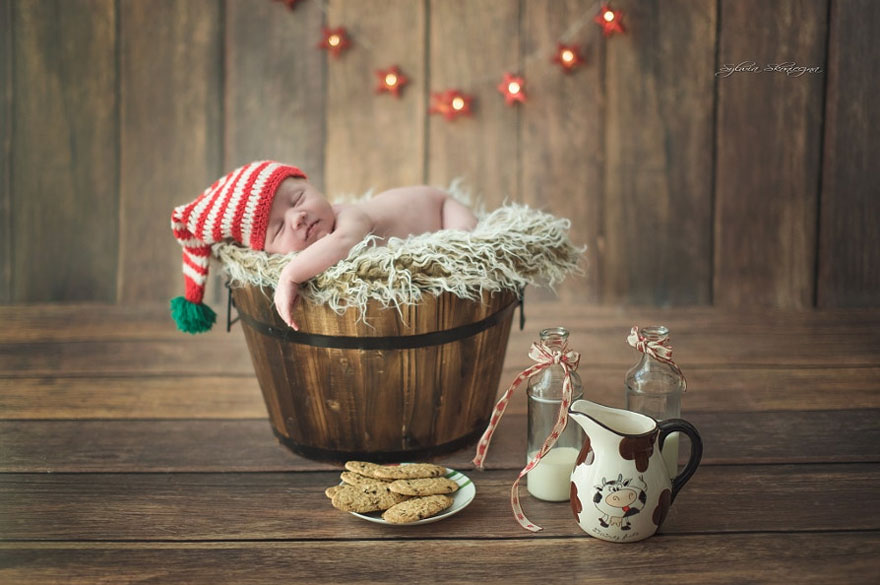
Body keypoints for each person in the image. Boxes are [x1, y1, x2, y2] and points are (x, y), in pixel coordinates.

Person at [169, 160, 476, 334]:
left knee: (466, 240)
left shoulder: (351, 216)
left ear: (312, 186)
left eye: (298, 199)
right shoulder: (303, 239)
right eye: (279, 228)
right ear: (265, 252)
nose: (297, 217)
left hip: (440, 207)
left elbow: (343, 242)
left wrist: (290, 275)